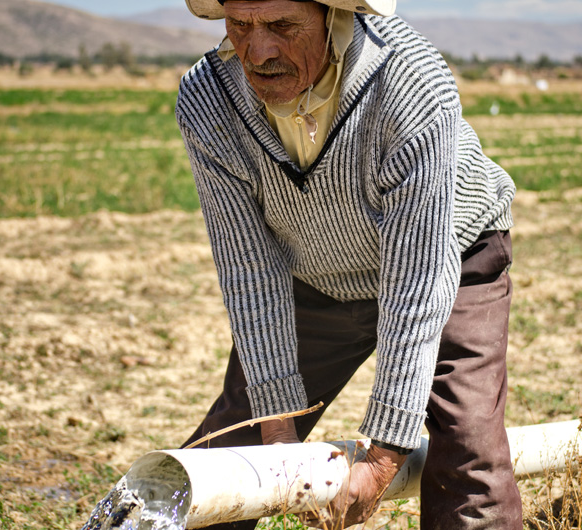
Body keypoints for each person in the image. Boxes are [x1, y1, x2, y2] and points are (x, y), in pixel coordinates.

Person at [175, 0, 523, 528]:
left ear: (330, 15)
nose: (257, 49)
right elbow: (250, 268)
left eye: (282, 26)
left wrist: (383, 459)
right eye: (240, 25)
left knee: (468, 451)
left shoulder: (408, 82)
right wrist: (279, 440)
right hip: (315, 273)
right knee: (233, 452)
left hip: (453, 256)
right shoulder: (208, 98)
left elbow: (418, 279)